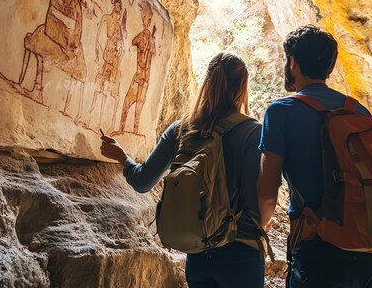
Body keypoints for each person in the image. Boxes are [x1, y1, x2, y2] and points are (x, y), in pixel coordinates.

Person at [100, 53, 267, 288]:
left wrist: (122, 157)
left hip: (197, 253)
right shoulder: (253, 132)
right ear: (242, 87)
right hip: (239, 256)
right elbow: (256, 204)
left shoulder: (182, 129)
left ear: (206, 83)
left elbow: (142, 182)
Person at [257, 25, 372, 288]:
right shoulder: (358, 111)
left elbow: (267, 193)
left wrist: (260, 228)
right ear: (329, 66)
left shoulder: (280, 112)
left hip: (320, 257)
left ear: (292, 62)